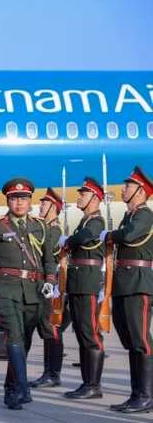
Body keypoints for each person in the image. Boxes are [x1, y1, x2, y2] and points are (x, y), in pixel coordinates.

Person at [0, 178, 56, 410]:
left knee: (25, 341)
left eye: (24, 198)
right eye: (14, 199)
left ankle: (11, 388)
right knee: (14, 335)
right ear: (8, 201)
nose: (19, 203)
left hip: (34, 290)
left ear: (30, 200)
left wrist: (50, 280)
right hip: (7, 288)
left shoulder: (39, 225)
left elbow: (48, 259)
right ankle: (23, 387)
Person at [103, 166, 153, 413]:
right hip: (124, 282)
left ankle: (146, 395)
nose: (123, 190)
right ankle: (136, 394)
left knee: (141, 340)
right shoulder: (129, 215)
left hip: (138, 283)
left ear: (140, 191)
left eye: (128, 187)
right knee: (130, 340)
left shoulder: (143, 215)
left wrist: (112, 234)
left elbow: (130, 236)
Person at [60, 177, 106, 400]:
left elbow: (85, 237)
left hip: (87, 282)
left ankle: (94, 385)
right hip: (77, 282)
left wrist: (68, 241)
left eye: (84, 194)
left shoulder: (96, 222)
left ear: (95, 198)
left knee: (90, 334)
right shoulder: (85, 221)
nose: (79, 197)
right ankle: (86, 382)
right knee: (81, 334)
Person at [29, 188, 67, 388]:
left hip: (50, 285)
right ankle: (48, 372)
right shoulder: (46, 228)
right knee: (46, 330)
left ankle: (53, 373)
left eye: (44, 204)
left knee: (51, 329)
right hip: (43, 284)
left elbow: (43, 250)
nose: (40, 206)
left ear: (53, 207)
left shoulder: (53, 230)